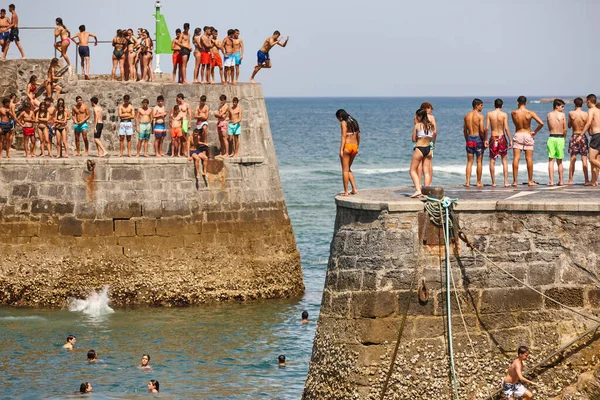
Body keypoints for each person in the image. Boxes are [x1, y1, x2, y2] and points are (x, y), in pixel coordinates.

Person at [511, 96, 544, 186]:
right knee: (529, 159)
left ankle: (515, 181)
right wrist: (535, 132)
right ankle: (530, 181)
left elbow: (515, 124)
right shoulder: (530, 113)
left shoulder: (513, 113)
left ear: (518, 102)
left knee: (516, 158)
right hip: (528, 134)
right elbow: (541, 123)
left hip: (518, 134)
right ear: (526, 103)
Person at [486, 98, 512, 187]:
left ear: (494, 105)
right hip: (502, 137)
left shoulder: (489, 114)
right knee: (504, 160)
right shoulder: (504, 114)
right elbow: (506, 128)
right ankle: (505, 182)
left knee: (492, 160)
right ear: (502, 105)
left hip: (493, 137)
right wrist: (510, 139)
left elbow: (486, 128)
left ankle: (493, 182)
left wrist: (485, 139)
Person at [409, 108, 434, 198]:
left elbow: (413, 139)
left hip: (419, 148)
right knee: (426, 172)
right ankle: (425, 193)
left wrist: (415, 124)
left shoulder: (418, 125)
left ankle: (418, 190)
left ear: (419, 116)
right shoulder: (431, 125)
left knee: (412, 170)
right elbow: (431, 138)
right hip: (429, 149)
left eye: (416, 116)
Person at [336, 109, 361, 196]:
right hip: (354, 147)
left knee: (345, 170)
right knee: (348, 168)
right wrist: (357, 146)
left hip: (347, 146)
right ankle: (354, 189)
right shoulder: (354, 121)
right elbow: (358, 134)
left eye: (338, 118)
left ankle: (346, 192)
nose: (338, 120)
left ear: (340, 117)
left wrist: (341, 150)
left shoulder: (343, 122)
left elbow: (343, 136)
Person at [567, 97, 590, 185]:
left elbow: (569, 125)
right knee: (584, 158)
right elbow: (588, 127)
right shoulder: (586, 114)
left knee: (573, 158)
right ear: (582, 104)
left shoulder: (571, 113)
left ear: (574, 104)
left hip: (574, 136)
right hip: (583, 136)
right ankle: (587, 180)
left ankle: (570, 180)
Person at [463, 98, 486, 187]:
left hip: (469, 138)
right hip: (477, 139)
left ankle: (467, 182)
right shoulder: (480, 116)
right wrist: (484, 140)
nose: (482, 107)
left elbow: (464, 130)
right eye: (481, 105)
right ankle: (478, 182)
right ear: (476, 106)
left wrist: (467, 139)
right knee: (479, 161)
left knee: (469, 162)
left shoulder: (467, 116)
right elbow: (481, 130)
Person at [580, 94, 600, 187]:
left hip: (596, 136)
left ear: (588, 101)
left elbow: (588, 122)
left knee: (591, 159)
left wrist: (581, 134)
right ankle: (594, 181)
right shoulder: (599, 110)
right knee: (596, 159)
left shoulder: (591, 110)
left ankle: (593, 181)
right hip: (597, 135)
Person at [546, 99, 567, 186]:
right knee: (559, 161)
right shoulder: (562, 115)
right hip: (560, 137)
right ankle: (561, 181)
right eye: (562, 106)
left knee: (551, 161)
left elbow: (549, 127)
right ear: (557, 106)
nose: (563, 108)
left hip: (551, 137)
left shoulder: (549, 115)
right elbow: (565, 128)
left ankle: (551, 181)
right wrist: (564, 138)